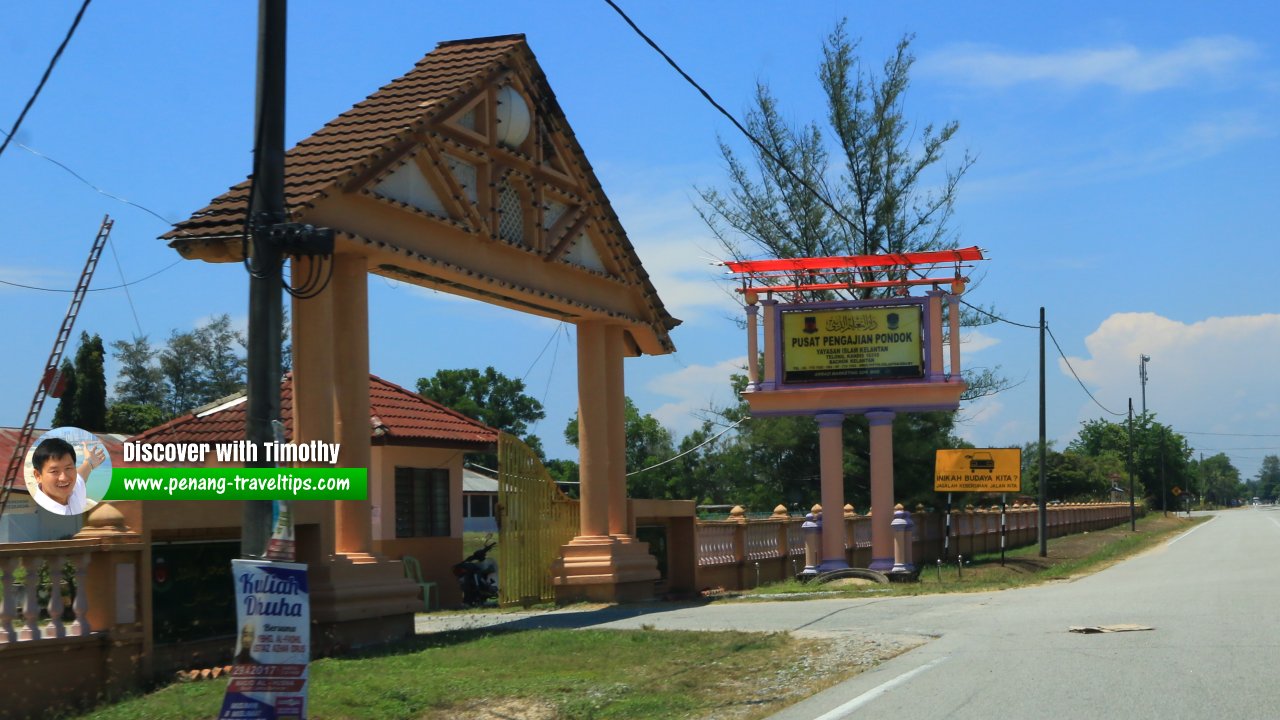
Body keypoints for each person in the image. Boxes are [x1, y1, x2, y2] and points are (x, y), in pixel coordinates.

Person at [30, 436, 104, 515]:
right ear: (38, 476)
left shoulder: (74, 491)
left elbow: (81, 475)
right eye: (54, 471)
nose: (64, 478)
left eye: (68, 468)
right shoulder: (38, 512)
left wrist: (89, 462)